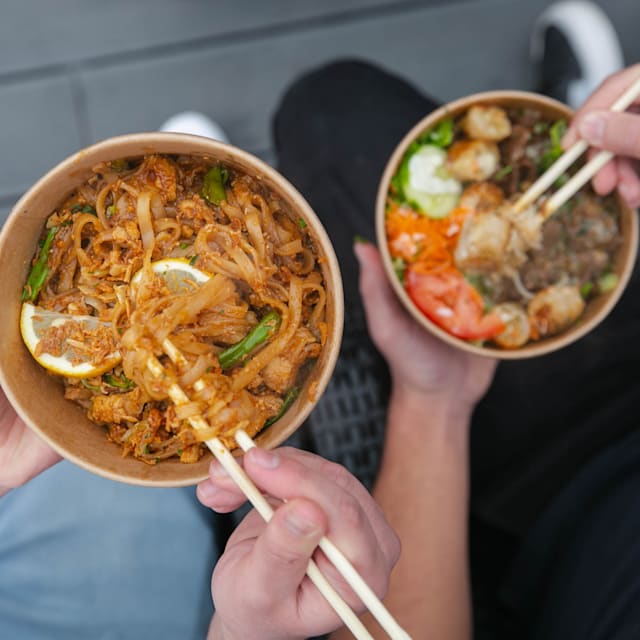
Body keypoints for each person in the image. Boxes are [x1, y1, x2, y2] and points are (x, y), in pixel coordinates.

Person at [3, 16, 640, 640]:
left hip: (534, 501)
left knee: (329, 109)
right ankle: (584, 151)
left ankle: (582, 149)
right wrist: (436, 395)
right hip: (575, 466)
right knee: (334, 106)